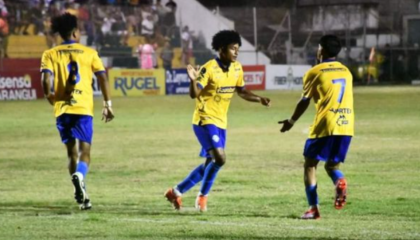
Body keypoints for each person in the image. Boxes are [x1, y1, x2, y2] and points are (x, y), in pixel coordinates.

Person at [164, 30, 271, 212]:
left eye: (238, 49)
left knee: (210, 163)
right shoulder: (208, 68)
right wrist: (193, 81)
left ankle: (176, 191)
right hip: (204, 120)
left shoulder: (237, 68)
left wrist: (259, 98)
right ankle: (202, 197)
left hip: (221, 122)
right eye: (232, 48)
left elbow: (242, 91)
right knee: (220, 158)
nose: (236, 52)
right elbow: (194, 94)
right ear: (221, 49)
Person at [40, 13, 114, 210]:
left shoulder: (50, 53)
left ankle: (83, 195)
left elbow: (45, 80)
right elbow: (103, 78)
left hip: (62, 109)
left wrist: (49, 96)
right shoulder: (89, 53)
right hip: (82, 108)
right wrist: (107, 104)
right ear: (75, 32)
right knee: (85, 152)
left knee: (71, 154)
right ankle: (80, 176)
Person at [278, 35, 354, 220]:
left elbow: (304, 101)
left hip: (325, 125)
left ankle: (313, 208)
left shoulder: (315, 72)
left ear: (321, 50)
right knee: (332, 165)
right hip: (347, 124)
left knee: (310, 164)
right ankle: (339, 180)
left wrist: (291, 121)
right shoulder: (346, 71)